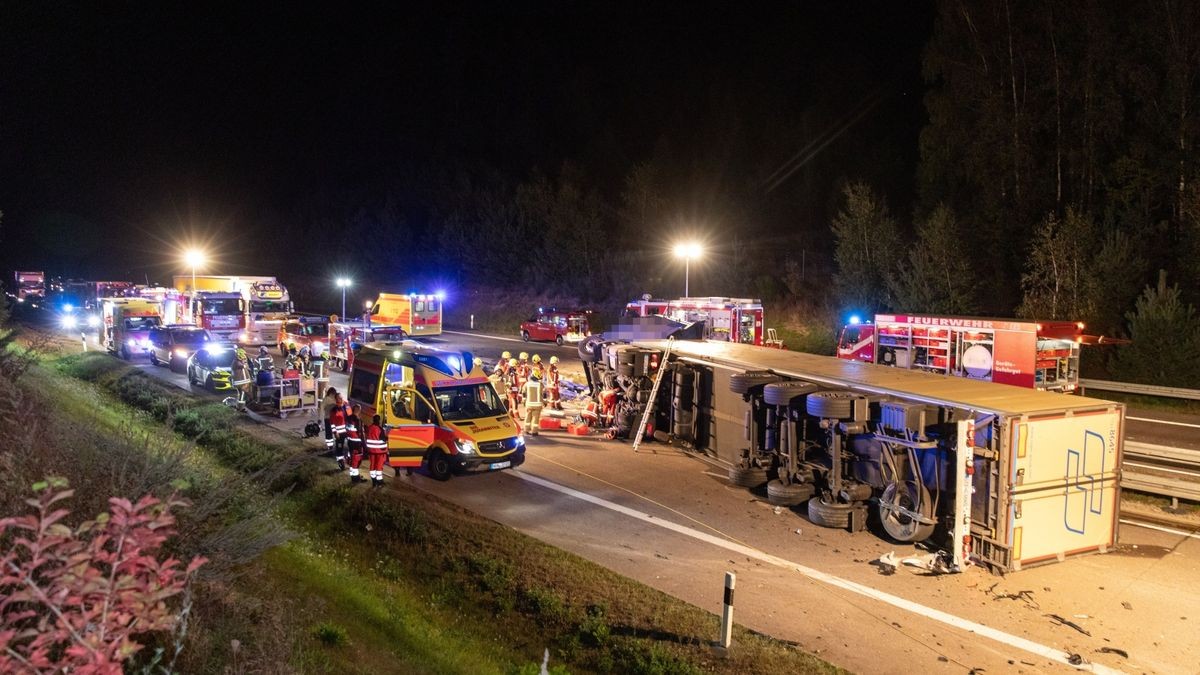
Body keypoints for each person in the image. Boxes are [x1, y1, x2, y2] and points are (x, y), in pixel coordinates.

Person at [364, 414, 389, 488]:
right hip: (380, 451)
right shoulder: (380, 429)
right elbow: (384, 439)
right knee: (379, 466)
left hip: (371, 451)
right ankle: (379, 481)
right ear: (379, 420)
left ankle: (374, 481)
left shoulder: (369, 428)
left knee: (372, 465)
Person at [345, 403, 365, 484]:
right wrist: (364, 443)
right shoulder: (357, 420)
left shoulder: (348, 418)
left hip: (350, 441)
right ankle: (355, 478)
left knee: (352, 459)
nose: (360, 411)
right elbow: (360, 433)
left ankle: (353, 476)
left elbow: (347, 430)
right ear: (357, 410)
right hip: (357, 443)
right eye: (359, 409)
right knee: (356, 461)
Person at [522, 370, 546, 436]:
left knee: (527, 417)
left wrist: (524, 401)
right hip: (538, 405)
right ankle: (534, 432)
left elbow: (523, 393)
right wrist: (545, 402)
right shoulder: (540, 385)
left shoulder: (527, 384)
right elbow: (544, 394)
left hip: (529, 404)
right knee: (535, 419)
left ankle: (526, 430)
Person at [329, 393, 349, 470]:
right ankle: (340, 462)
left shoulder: (346, 406)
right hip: (339, 433)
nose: (340, 399)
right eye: (338, 398)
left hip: (347, 431)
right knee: (339, 447)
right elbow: (332, 423)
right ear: (336, 399)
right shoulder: (334, 410)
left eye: (341, 398)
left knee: (351, 446)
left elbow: (350, 416)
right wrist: (335, 432)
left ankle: (349, 460)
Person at [320, 386, 339, 458]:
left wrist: (320, 419)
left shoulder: (327, 400)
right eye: (334, 394)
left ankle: (330, 447)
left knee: (329, 434)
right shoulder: (332, 400)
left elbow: (321, 409)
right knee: (333, 433)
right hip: (332, 419)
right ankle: (334, 447)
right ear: (332, 393)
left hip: (328, 419)